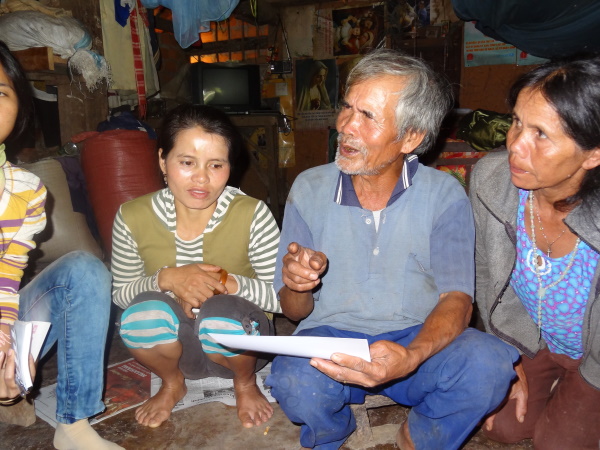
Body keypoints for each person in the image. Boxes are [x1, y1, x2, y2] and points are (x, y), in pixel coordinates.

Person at [266, 48, 519, 450]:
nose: (346, 126)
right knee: (293, 381)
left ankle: (418, 436)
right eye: (348, 108)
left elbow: (457, 299)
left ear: (412, 138)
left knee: (489, 365)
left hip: (414, 335)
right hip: (330, 339)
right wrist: (297, 285)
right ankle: (333, 433)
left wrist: (411, 356)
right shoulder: (309, 188)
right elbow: (295, 313)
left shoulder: (444, 194)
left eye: (368, 117)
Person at [110, 103, 281, 429]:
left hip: (241, 346)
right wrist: (168, 279)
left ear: (231, 167)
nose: (201, 178)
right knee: (139, 316)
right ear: (163, 160)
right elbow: (121, 293)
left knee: (219, 313)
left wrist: (223, 284)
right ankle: (172, 382)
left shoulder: (252, 214)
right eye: (187, 162)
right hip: (178, 351)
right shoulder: (132, 217)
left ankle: (244, 383)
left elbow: (280, 297)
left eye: (216, 165)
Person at [469, 56, 600, 449]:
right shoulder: (491, 180)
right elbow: (483, 272)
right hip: (537, 338)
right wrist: (504, 353)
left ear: (593, 154)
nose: (515, 147)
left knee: (554, 443)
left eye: (541, 134)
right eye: (516, 122)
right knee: (500, 427)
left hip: (596, 357)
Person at [0, 41, 120, 449]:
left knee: (85, 270)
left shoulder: (24, 190)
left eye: (0, 92)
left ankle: (74, 424)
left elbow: (8, 273)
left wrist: (5, 341)